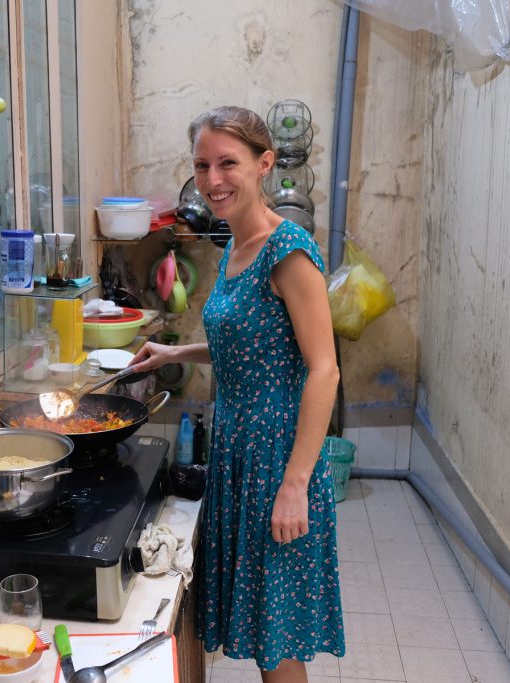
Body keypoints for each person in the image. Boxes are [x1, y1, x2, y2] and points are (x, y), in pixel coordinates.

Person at [129, 106, 344, 682]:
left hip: (278, 459)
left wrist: (296, 484)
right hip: (239, 451)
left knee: (280, 642)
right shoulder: (235, 247)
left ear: (264, 164)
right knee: (263, 630)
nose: (213, 179)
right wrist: (176, 353)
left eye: (229, 163)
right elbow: (245, 348)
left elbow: (324, 370)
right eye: (202, 165)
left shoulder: (287, 251)